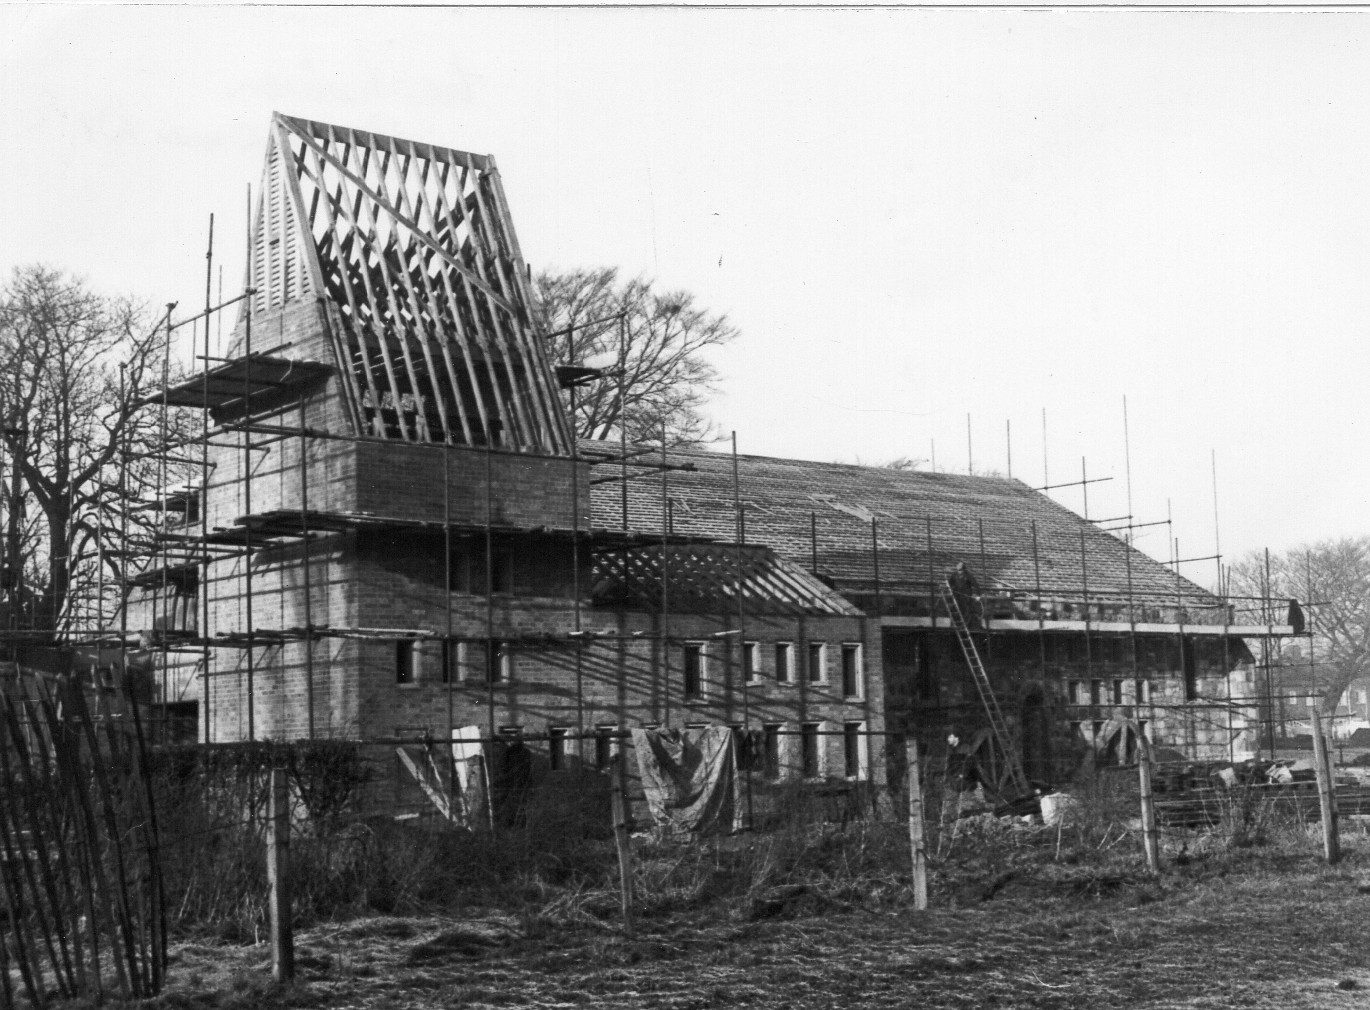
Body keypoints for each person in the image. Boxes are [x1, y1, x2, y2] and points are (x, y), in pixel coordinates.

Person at [948, 562, 982, 629]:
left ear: (964, 569)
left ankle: (966, 626)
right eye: (958, 570)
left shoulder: (968, 575)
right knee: (956, 609)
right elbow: (950, 583)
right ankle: (955, 625)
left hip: (966, 596)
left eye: (961, 570)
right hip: (957, 595)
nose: (960, 572)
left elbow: (975, 584)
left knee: (966, 610)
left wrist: (978, 595)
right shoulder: (954, 575)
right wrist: (952, 588)